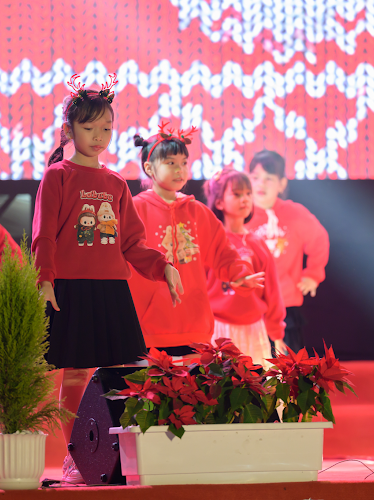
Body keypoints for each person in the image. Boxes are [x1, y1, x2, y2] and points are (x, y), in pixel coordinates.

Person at [32, 75, 183, 483]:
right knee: (75, 373)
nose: (99, 137)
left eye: (106, 128)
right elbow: (44, 235)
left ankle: (124, 457)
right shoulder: (58, 176)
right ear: (69, 130)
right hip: (71, 289)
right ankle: (77, 457)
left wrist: (163, 266)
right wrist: (45, 278)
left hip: (113, 290)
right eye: (89, 128)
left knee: (126, 373)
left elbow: (132, 243)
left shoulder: (115, 182)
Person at [128, 123, 264, 357]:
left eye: (183, 163)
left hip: (194, 326)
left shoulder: (197, 211)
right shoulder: (134, 209)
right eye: (170, 163)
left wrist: (239, 274)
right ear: (149, 168)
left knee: (192, 381)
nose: (180, 170)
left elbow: (224, 252)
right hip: (147, 328)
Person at [245, 150, 329, 353]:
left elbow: (319, 239)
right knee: (249, 367)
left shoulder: (294, 213)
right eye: (255, 177)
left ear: (282, 184)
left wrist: (313, 274)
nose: (261, 184)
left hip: (285, 305)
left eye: (269, 178)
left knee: (286, 367)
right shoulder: (240, 212)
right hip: (249, 305)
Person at [204, 168, 286, 366]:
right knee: (219, 383)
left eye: (248, 193)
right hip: (217, 330)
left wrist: (276, 333)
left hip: (254, 329)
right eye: (237, 194)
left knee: (256, 382)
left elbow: (272, 291)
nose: (245, 199)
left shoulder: (257, 243)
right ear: (219, 202)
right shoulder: (209, 242)